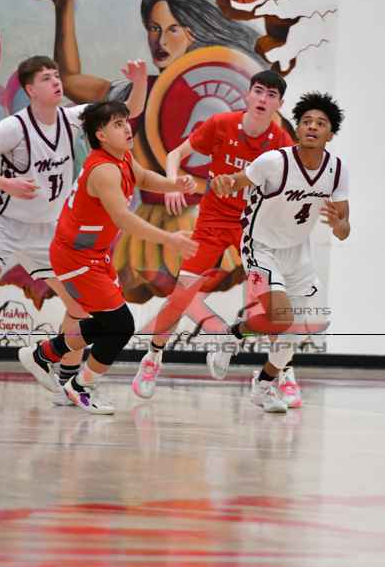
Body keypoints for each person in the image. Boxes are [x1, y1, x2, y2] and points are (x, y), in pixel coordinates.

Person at [43, 0, 266, 299]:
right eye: (153, 28)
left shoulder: (224, 95)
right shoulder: (135, 91)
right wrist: (65, 5)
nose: (160, 40)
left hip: (202, 227)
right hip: (145, 232)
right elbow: (70, 80)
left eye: (172, 28)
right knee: (122, 306)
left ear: (192, 32)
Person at [18, 100, 198, 415]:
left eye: (126, 121)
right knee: (120, 325)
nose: (127, 128)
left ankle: (43, 354)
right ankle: (81, 386)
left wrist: (174, 183)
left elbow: (144, 178)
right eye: (117, 124)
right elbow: (124, 219)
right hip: (74, 257)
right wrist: (170, 239)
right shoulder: (103, 170)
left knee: (106, 323)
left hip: (92, 253)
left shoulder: (123, 157)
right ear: (101, 135)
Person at [130, 69, 294, 400]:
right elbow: (176, 155)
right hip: (213, 222)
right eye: (258, 91)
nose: (263, 99)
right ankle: (152, 358)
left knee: (271, 304)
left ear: (279, 104)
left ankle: (284, 373)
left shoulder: (280, 143)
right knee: (182, 295)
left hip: (253, 227)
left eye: (271, 95)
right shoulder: (221, 124)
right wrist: (173, 183)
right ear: (248, 94)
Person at [0, 55, 147, 404]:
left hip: (48, 232)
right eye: (46, 78)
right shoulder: (13, 129)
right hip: (6, 226)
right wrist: (6, 183)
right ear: (30, 90)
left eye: (56, 75)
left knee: (80, 307)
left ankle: (66, 380)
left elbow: (128, 110)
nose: (56, 82)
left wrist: (140, 81)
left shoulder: (72, 117)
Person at [207, 92, 350, 412]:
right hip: (260, 247)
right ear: (297, 129)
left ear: (330, 134)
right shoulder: (274, 161)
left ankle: (264, 384)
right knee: (281, 317)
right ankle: (233, 335)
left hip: (298, 252)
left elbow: (344, 229)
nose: (312, 126)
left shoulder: (337, 170)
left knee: (295, 331)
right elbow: (235, 181)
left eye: (321, 123)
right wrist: (223, 182)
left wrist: (339, 224)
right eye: (306, 121)